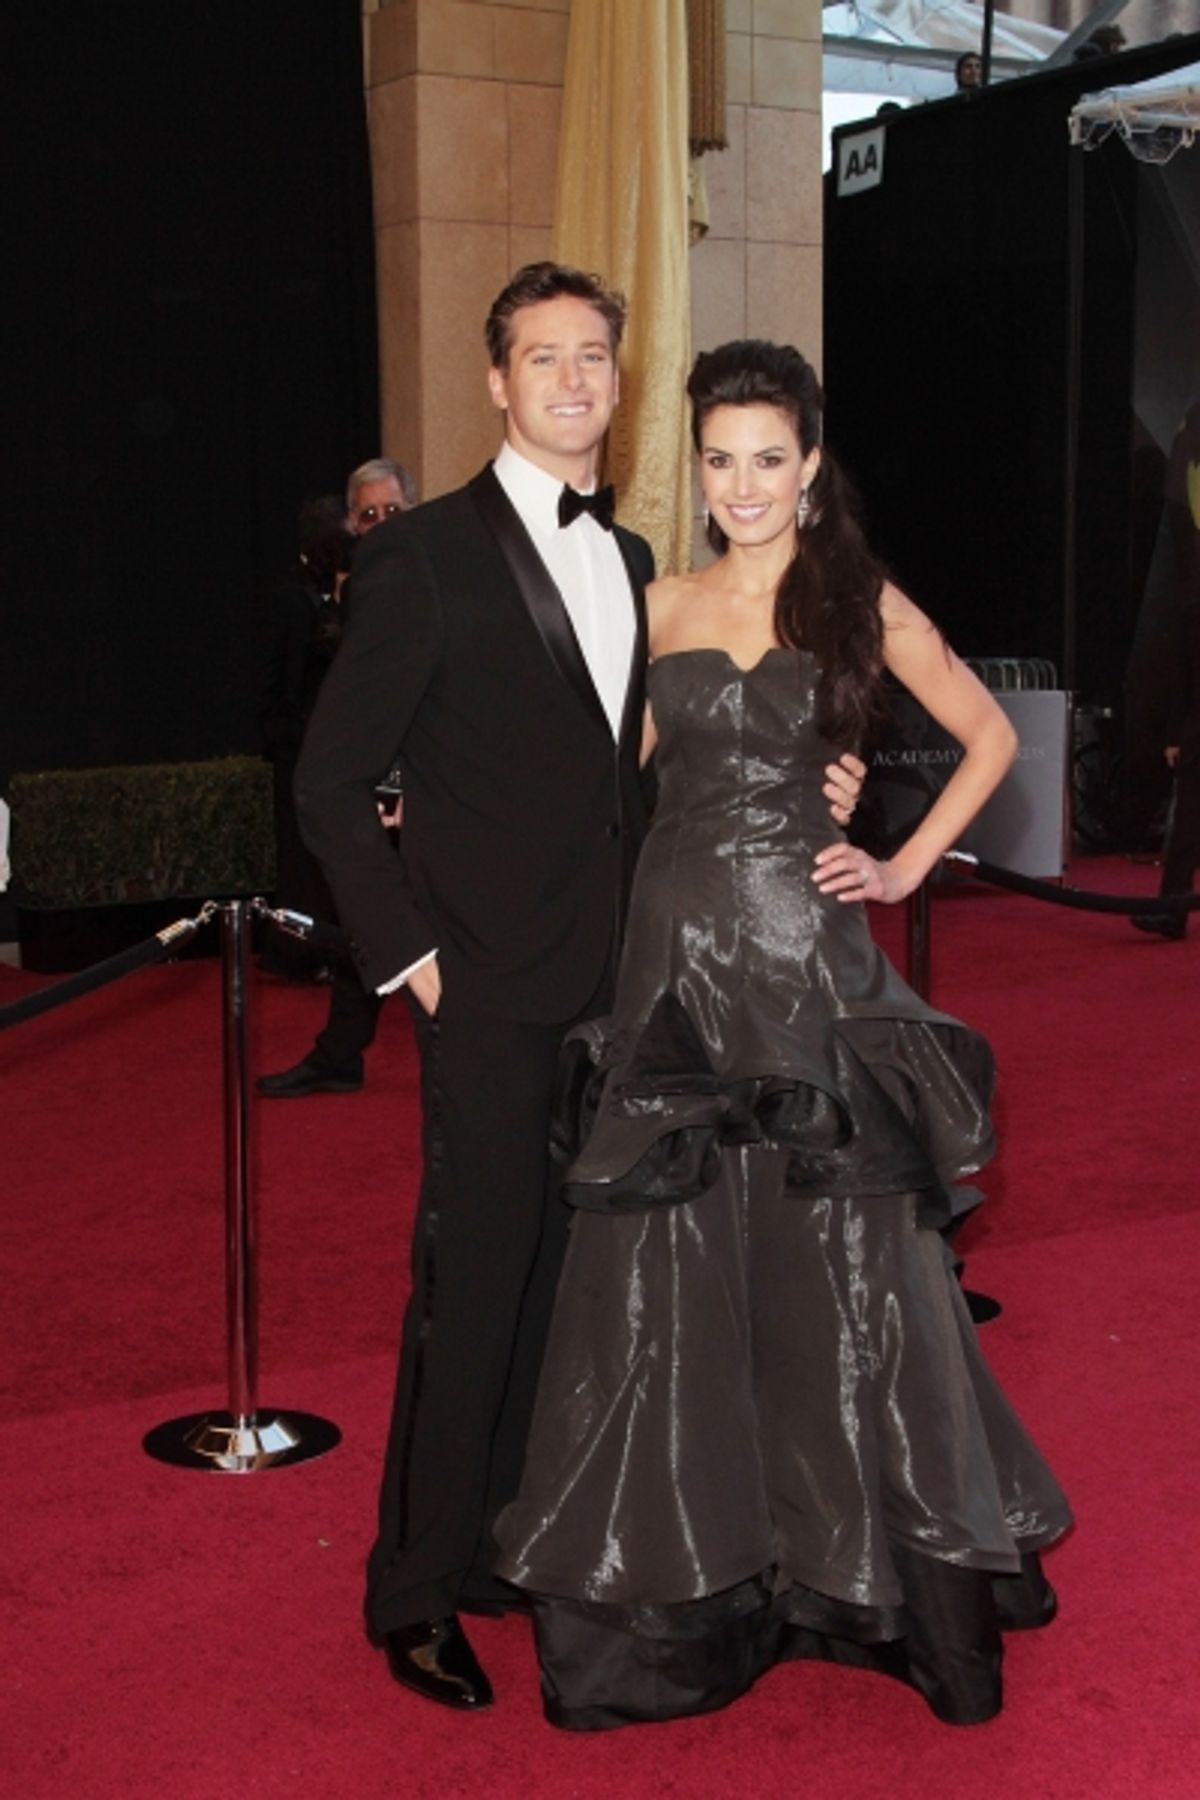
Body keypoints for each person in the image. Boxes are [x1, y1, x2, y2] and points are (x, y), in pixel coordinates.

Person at [294, 267, 866, 1713]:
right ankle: (412, 1591)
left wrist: (820, 779)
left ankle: (501, 1542)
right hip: (483, 989)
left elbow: (651, 765)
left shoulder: (630, 558)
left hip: (630, 987)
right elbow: (328, 776)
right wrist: (407, 952)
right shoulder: (420, 554)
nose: (570, 382)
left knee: (570, 1286)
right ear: (497, 382)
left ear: (619, 381)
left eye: (594, 359)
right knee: (471, 1283)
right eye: (542, 359)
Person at [494, 339, 1073, 1731]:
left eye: (768, 459)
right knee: (671, 1270)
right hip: (678, 961)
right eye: (718, 459)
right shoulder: (664, 597)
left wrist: (903, 860)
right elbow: (603, 780)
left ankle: (859, 1571)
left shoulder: (851, 595)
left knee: (845, 1265)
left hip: (810, 969)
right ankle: (700, 1573)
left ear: (810, 468)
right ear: (692, 468)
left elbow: (987, 736)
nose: (741, 484)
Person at [259, 457, 418, 1098]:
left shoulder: (443, 573)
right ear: (352, 523)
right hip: (381, 783)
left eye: (392, 511)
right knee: (364, 920)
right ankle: (341, 1051)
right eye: (369, 514)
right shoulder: (356, 593)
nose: (380, 523)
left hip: (439, 781)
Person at [257, 496, 355, 984]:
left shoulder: (335, 593)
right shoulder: (287, 597)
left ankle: (330, 950)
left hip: (332, 748)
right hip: (297, 748)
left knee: (328, 852)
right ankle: (298, 954)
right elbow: (276, 683)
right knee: (300, 856)